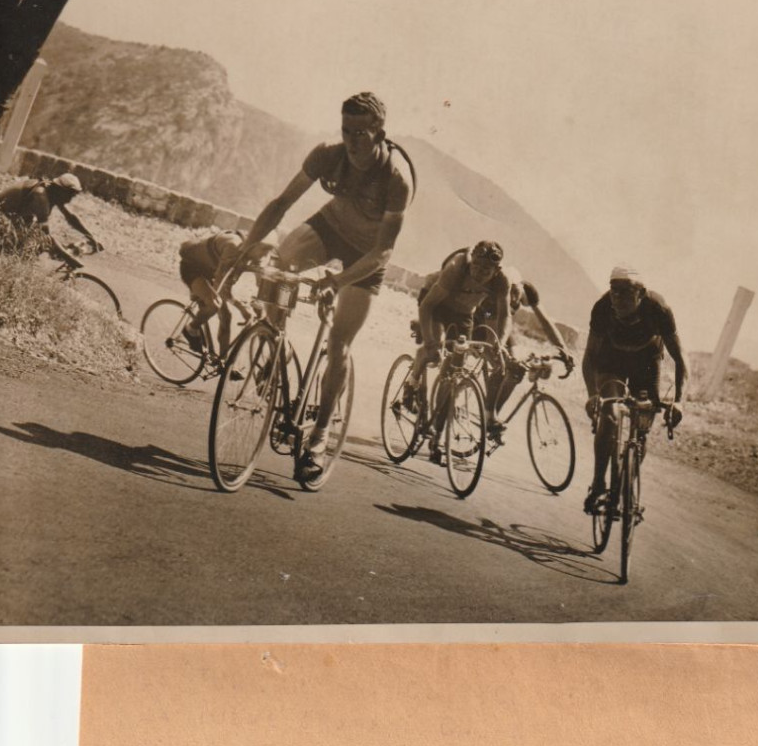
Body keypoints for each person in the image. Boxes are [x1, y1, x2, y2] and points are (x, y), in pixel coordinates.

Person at [233, 92, 414, 481]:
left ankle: (318, 435)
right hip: (329, 228)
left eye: (360, 134)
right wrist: (246, 247)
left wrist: (337, 280)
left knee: (338, 345)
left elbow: (383, 253)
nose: (351, 142)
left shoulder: (396, 179)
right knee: (280, 264)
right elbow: (282, 202)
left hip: (366, 258)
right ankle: (273, 345)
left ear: (380, 133)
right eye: (346, 131)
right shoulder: (327, 154)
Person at [582, 266, 687, 515]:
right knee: (609, 411)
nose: (617, 298)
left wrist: (680, 401)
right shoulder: (602, 307)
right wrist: (592, 395)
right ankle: (598, 484)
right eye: (613, 290)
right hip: (612, 360)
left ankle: (623, 487)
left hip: (646, 361)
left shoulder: (658, 309)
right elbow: (589, 357)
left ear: (640, 294)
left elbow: (681, 359)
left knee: (642, 427)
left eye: (625, 292)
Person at [405, 240, 511, 461]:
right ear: (471, 262)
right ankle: (412, 381)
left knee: (453, 373)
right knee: (434, 351)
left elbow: (505, 315)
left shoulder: (502, 281)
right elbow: (427, 306)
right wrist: (432, 342)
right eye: (477, 267)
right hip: (435, 304)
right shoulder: (455, 267)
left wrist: (499, 343)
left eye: (487, 271)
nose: (480, 274)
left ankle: (437, 437)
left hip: (464, 313)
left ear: (496, 270)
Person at [473, 273, 575, 438]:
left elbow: (546, 322)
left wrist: (563, 350)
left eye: (516, 294)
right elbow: (492, 336)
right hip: (481, 325)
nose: (513, 299)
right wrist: (500, 354)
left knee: (517, 370)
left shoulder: (527, 290)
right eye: (510, 293)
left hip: (503, 326)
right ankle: (489, 416)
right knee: (503, 365)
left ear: (521, 287)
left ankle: (492, 418)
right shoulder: (495, 291)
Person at [178, 229, 272, 361]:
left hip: (212, 272)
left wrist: (261, 307)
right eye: (264, 249)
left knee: (226, 317)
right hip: (192, 268)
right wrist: (242, 308)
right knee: (214, 304)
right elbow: (221, 288)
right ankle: (191, 329)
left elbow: (260, 283)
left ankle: (223, 362)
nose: (266, 254)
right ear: (254, 244)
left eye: (270, 250)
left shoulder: (258, 254)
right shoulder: (232, 248)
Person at [0, 173, 102, 266]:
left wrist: (90, 236)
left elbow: (71, 217)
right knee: (25, 250)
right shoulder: (41, 197)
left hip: (15, 214)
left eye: (73, 196)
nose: (70, 200)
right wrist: (68, 258)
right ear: (60, 190)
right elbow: (46, 234)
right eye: (69, 195)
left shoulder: (53, 192)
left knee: (36, 245)